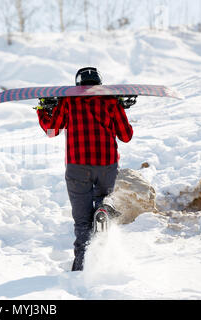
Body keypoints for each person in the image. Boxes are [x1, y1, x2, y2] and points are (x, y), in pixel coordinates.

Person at [36, 67, 134, 271]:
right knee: (103, 199)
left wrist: (43, 110)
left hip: (77, 166)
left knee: (81, 222)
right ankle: (104, 208)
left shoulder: (69, 102)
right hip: (106, 164)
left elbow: (52, 130)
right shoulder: (111, 102)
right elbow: (126, 136)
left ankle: (81, 267)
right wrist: (121, 107)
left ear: (77, 85)